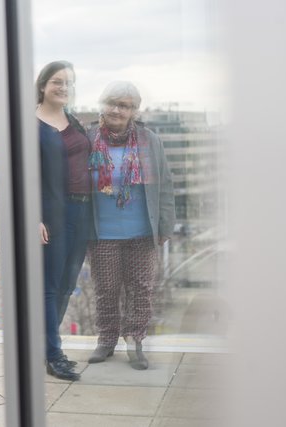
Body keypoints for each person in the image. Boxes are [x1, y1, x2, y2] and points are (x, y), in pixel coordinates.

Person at [87, 81, 174, 370]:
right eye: (111, 103)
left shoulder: (150, 140)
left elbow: (165, 186)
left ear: (134, 111)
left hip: (142, 231)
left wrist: (165, 226)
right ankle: (107, 340)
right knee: (106, 289)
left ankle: (136, 341)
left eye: (124, 105)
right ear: (102, 105)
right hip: (103, 232)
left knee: (141, 289)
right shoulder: (88, 139)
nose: (116, 110)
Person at [36, 61, 92, 381]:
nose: (63, 87)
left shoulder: (74, 121)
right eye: (57, 81)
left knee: (68, 285)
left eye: (69, 82)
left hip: (82, 212)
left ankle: (46, 346)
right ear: (43, 85)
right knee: (51, 286)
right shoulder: (30, 124)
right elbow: (22, 175)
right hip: (53, 215)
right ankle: (53, 354)